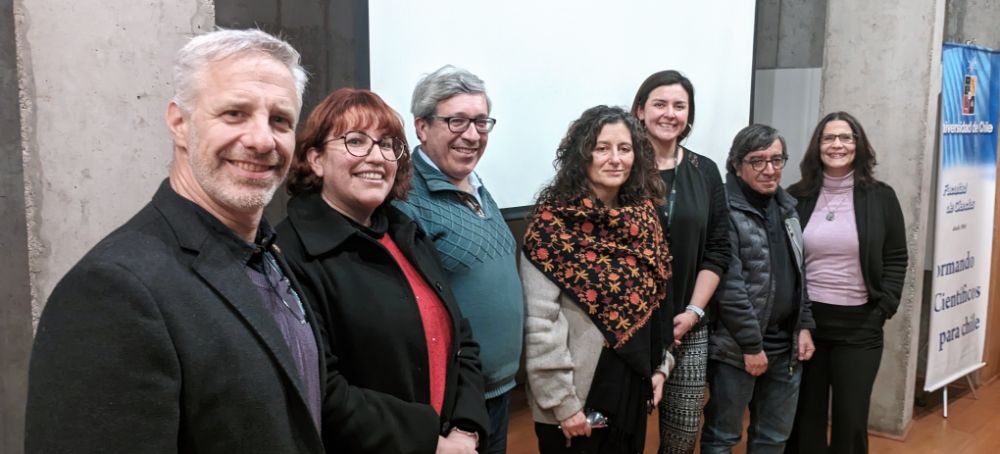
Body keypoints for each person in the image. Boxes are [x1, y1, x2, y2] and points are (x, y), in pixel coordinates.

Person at [25, 29, 324, 453]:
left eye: (280, 120)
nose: (262, 140)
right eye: (234, 113)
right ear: (179, 123)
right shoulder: (114, 290)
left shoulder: (268, 257)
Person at [275, 87, 489, 454]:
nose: (377, 157)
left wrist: (466, 429)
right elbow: (323, 391)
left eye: (388, 144)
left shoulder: (404, 231)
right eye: (356, 141)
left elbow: (460, 336)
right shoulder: (290, 254)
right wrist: (431, 444)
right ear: (316, 159)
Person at [522, 105, 674, 453]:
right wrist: (564, 403)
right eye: (602, 148)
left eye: (624, 148)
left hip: (634, 382)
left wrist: (661, 368)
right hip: (577, 394)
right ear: (582, 154)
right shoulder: (552, 227)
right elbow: (539, 324)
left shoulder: (645, 219)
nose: (615, 159)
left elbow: (660, 300)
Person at [393, 65, 524, 453]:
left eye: (481, 122)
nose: (472, 135)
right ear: (421, 127)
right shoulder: (406, 201)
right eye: (457, 121)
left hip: (498, 390)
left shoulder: (479, 186)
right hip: (454, 405)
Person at [785, 112, 908, 454]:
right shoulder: (796, 197)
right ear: (817, 146)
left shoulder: (881, 197)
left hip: (861, 326)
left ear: (858, 145)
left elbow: (896, 256)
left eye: (846, 137)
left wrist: (885, 306)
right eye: (828, 138)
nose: (837, 144)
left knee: (850, 418)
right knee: (804, 417)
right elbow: (785, 261)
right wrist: (798, 319)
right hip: (808, 323)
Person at [699, 124, 816, 453]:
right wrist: (751, 346)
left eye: (777, 160)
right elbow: (729, 286)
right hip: (736, 349)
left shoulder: (788, 208)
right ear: (736, 164)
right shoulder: (723, 209)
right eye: (758, 161)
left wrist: (804, 325)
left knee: (773, 439)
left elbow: (799, 275)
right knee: (723, 438)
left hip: (786, 346)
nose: (770, 170)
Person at [631, 70, 731, 454]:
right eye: (659, 104)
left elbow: (718, 248)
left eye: (679, 105)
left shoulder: (704, 171)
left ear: (689, 115)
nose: (669, 113)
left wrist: (692, 311)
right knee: (626, 427)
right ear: (640, 110)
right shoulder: (621, 165)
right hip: (630, 330)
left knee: (682, 434)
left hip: (688, 326)